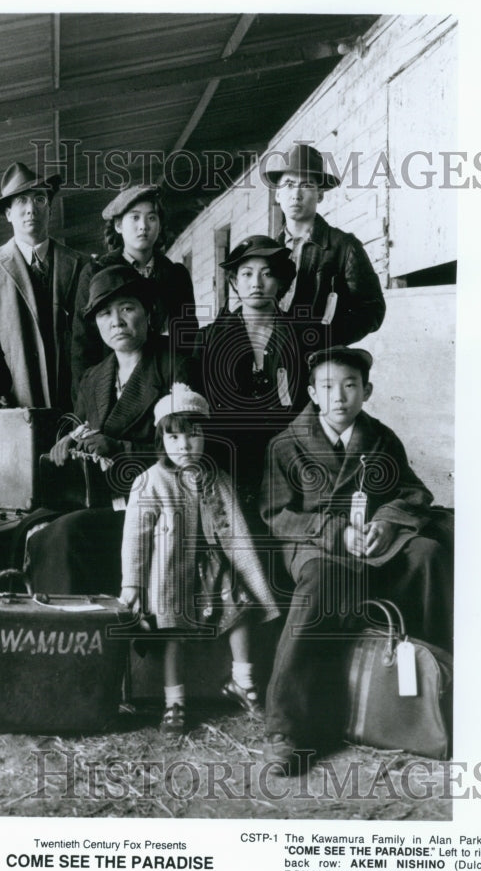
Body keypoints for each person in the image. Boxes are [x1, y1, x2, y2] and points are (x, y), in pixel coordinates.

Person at [258, 346, 453, 771]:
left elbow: (412, 493)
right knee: (323, 582)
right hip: (317, 545)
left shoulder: (380, 438)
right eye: (328, 387)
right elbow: (277, 514)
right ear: (312, 392)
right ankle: (288, 730)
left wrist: (385, 523)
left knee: (428, 554)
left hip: (373, 542)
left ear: (367, 390)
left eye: (350, 386)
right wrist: (336, 533)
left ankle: (433, 697)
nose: (340, 397)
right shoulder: (286, 445)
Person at [26, 264, 199, 597]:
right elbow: (79, 428)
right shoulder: (93, 377)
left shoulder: (175, 366)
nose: (116, 321)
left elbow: (189, 452)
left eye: (127, 308)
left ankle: (77, 630)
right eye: (104, 313)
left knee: (68, 532)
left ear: (149, 314)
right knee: (30, 527)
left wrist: (118, 448)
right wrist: (67, 443)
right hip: (100, 498)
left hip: (156, 503)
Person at [120, 384, 280, 733]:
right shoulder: (150, 482)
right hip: (170, 572)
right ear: (161, 440)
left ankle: (243, 680)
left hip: (214, 569)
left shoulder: (218, 479)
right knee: (172, 631)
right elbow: (135, 538)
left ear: (206, 437)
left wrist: (250, 573)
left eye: (193, 436)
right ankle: (174, 704)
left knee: (239, 611)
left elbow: (237, 531)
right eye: (174, 437)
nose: (184, 445)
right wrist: (132, 585)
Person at [193, 236, 298, 521]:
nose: (256, 283)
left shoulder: (301, 337)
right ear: (234, 282)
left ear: (281, 282)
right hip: (227, 463)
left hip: (289, 462)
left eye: (267, 274)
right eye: (247, 274)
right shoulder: (208, 340)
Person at [70, 184, 198, 400]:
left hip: (163, 383)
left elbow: (186, 338)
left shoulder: (175, 275)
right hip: (112, 387)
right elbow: (83, 346)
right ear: (118, 225)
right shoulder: (96, 272)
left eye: (152, 218)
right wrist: (85, 403)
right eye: (135, 218)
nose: (144, 227)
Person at [264, 142, 385, 362]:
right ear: (277, 195)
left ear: (320, 194)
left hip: (322, 365)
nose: (296, 194)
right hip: (274, 363)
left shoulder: (344, 247)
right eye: (289, 185)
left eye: (307, 185)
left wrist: (325, 339)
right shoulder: (266, 252)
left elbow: (372, 311)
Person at [0, 161, 85, 411]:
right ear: (8, 213)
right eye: (21, 201)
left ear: (50, 208)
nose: (31, 209)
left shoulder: (81, 264)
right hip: (14, 399)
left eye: (39, 199)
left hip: (73, 398)